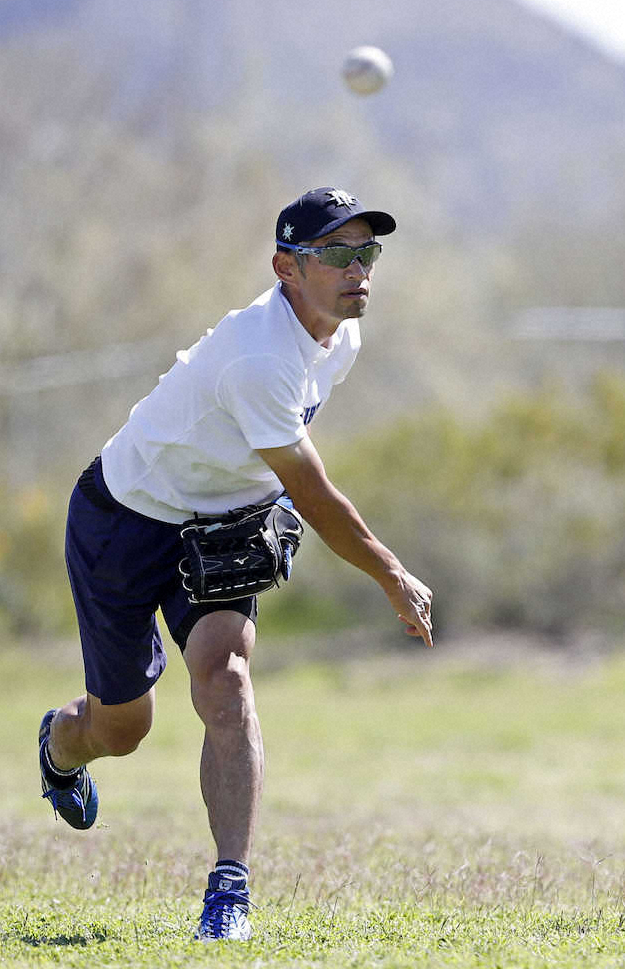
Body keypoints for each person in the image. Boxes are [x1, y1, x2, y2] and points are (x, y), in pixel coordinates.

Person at [38, 186, 433, 941]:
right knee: (122, 729)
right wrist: (390, 571)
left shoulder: (341, 337)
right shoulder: (258, 355)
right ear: (286, 267)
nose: (358, 271)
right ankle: (60, 746)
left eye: (367, 252)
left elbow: (280, 466)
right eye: (336, 254)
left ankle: (229, 890)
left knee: (227, 682)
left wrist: (252, 503)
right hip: (123, 519)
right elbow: (312, 492)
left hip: (220, 522)